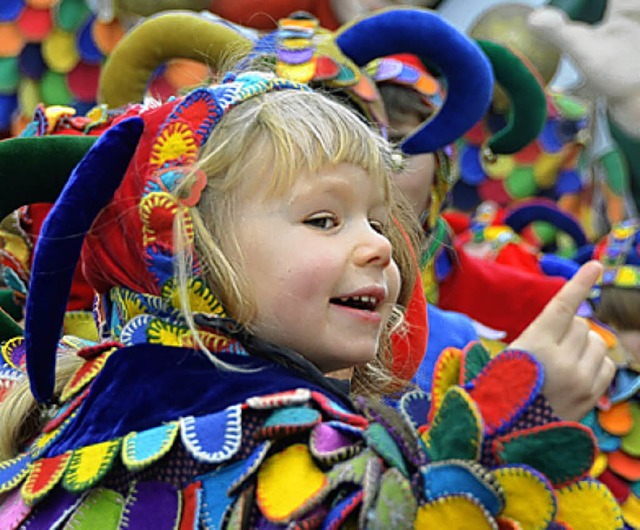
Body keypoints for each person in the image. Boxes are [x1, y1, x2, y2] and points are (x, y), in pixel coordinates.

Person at [0, 71, 619, 527]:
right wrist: (512, 421)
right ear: (191, 249)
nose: (379, 247)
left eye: (377, 220)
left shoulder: (113, 394)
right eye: (325, 219)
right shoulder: (253, 424)